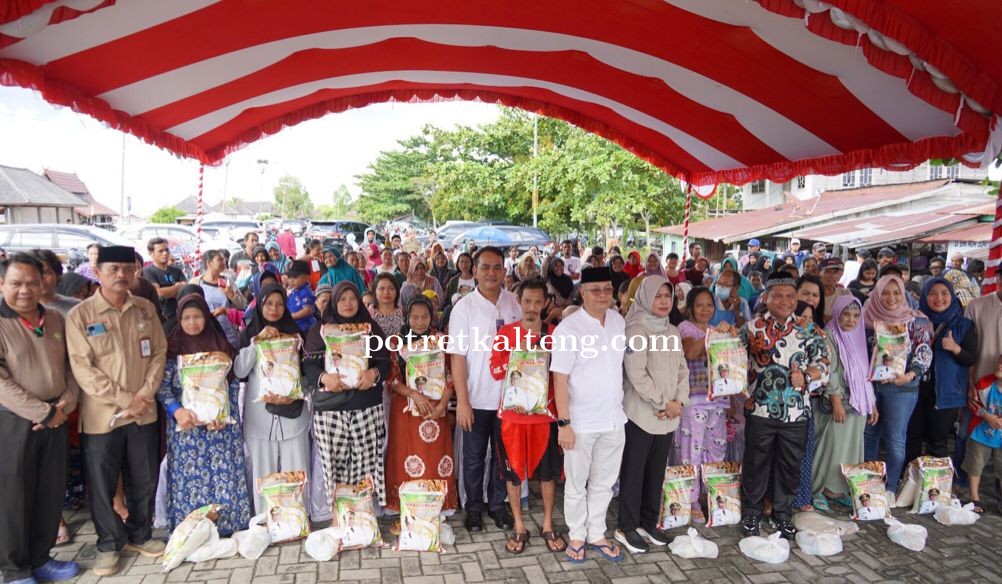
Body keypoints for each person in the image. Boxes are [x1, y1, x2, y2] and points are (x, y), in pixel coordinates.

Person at [66, 246, 168, 576]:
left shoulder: (146, 310)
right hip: (102, 416)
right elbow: (83, 370)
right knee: (102, 483)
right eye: (113, 269)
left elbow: (158, 355)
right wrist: (127, 399)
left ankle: (139, 534)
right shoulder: (80, 316)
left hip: (143, 412)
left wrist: (143, 395)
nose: (121, 275)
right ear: (98, 272)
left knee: (144, 477)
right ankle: (109, 544)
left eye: (127, 268)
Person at [0, 254, 81, 584]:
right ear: (2, 284)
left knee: (49, 491)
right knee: (13, 497)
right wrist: (44, 412)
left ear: (44, 283)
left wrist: (66, 403)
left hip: (57, 418)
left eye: (32, 282)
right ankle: (14, 569)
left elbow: (69, 369)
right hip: (15, 422)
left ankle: (40, 558)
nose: (25, 290)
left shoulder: (54, 319)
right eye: (16, 283)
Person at [739, 272, 829, 540]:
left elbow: (825, 364)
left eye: (790, 296)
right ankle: (752, 513)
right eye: (778, 295)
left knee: (790, 466)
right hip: (760, 409)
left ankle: (783, 515)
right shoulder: (751, 327)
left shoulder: (809, 329)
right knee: (756, 464)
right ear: (766, 297)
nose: (785, 301)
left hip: (797, 412)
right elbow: (734, 359)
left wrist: (808, 375)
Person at [157, 294, 250, 535]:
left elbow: (232, 385)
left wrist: (225, 415)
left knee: (225, 478)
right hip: (187, 429)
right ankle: (191, 531)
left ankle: (228, 528)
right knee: (191, 481)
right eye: (186, 317)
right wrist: (176, 411)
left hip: (221, 429)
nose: (192, 322)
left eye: (197, 316)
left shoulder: (219, 345)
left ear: (207, 318)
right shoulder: (172, 348)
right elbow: (163, 387)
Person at [551, 267, 627, 563]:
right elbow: (559, 380)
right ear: (582, 292)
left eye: (608, 289)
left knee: (604, 482)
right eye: (596, 290)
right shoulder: (569, 329)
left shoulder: (618, 322)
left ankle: (597, 532)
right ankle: (577, 535)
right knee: (576, 483)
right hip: (580, 422)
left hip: (613, 418)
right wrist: (564, 424)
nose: (603, 295)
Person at [488, 280, 566, 555]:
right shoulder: (506, 334)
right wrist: (516, 356)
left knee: (547, 475)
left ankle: (547, 524)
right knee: (512, 476)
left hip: (544, 419)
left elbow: (561, 376)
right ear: (518, 302)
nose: (532, 308)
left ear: (546, 303)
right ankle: (520, 527)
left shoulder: (554, 334)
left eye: (537, 302)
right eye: (527, 301)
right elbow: (496, 371)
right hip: (511, 418)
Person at [447, 247, 521, 532]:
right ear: (474, 271)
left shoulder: (513, 303)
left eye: (497, 267)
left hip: (508, 398)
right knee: (474, 457)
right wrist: (462, 401)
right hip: (475, 398)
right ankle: (474, 507)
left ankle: (498, 506)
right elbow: (457, 357)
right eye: (485, 267)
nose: (491, 273)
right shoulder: (464, 308)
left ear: (504, 271)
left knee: (504, 457)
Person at [615, 276, 689, 554]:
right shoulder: (636, 329)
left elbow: (683, 369)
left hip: (668, 416)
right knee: (634, 473)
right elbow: (636, 374)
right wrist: (663, 402)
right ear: (645, 297)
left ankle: (648, 521)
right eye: (657, 296)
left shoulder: (672, 331)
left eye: (667, 296)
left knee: (655, 473)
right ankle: (627, 526)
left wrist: (678, 401)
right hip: (642, 416)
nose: (663, 302)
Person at [303, 282, 392, 507]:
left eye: (352, 298)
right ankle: (340, 515)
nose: (348, 303)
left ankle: (363, 514)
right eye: (342, 299)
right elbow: (309, 366)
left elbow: (385, 363)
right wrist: (324, 378)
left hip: (366, 406)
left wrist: (374, 373)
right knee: (334, 465)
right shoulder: (320, 330)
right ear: (334, 302)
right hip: (330, 410)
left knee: (367, 463)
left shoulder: (370, 328)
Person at [234, 283, 311, 514]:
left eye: (279, 304)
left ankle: (296, 519)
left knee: (296, 470)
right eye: (269, 304)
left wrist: (297, 394)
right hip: (260, 419)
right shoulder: (250, 333)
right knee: (263, 473)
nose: (274, 309)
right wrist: (257, 342)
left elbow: (307, 375)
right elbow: (239, 371)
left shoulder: (297, 335)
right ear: (260, 305)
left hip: (292, 416)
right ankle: (265, 519)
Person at [384, 296, 458, 514]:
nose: (419, 321)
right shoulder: (397, 342)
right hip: (406, 407)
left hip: (436, 408)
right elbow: (392, 378)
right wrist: (415, 395)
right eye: (414, 317)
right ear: (406, 317)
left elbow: (450, 375)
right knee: (406, 454)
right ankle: (405, 505)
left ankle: (439, 504)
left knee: (435, 454)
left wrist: (443, 404)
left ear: (431, 317)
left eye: (424, 316)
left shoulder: (440, 340)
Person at [862, 275, 933, 498]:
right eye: (885, 292)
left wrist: (911, 374)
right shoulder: (867, 319)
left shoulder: (916, 322)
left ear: (903, 294)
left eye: (896, 293)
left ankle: (891, 486)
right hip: (871, 388)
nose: (890, 297)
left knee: (894, 439)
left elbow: (924, 351)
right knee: (869, 435)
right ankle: (869, 484)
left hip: (901, 389)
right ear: (877, 294)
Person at [812, 296, 878, 510]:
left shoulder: (857, 337)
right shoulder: (829, 334)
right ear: (837, 313)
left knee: (849, 449)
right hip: (837, 402)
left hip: (857, 403)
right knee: (829, 447)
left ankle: (837, 489)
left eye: (856, 316)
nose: (851, 320)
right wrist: (836, 401)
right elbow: (828, 370)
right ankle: (818, 489)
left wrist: (872, 403)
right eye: (846, 315)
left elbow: (865, 373)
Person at [671, 286, 730, 523]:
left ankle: (712, 497)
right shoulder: (684, 328)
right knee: (690, 452)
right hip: (693, 402)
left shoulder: (717, 330)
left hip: (716, 401)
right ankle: (690, 500)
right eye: (700, 305)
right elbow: (690, 352)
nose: (705, 309)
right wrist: (714, 336)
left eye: (709, 305)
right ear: (690, 308)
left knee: (715, 452)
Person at [905, 278, 976, 463]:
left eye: (944, 293)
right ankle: (909, 485)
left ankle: (933, 489)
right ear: (924, 296)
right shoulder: (914, 322)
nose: (939, 298)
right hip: (915, 390)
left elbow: (971, 358)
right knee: (911, 439)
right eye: (932, 293)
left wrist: (955, 348)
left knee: (937, 443)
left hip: (946, 394)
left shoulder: (963, 324)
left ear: (952, 296)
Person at [961, 355, 1002, 514]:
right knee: (975, 464)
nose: (999, 366)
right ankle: (974, 497)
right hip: (981, 431)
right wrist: (987, 416)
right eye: (999, 363)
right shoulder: (985, 384)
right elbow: (974, 404)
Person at [192, 249, 245, 346]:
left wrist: (231, 295)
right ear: (209, 263)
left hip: (229, 334)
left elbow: (243, 304)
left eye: (224, 259)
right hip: (206, 334)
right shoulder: (196, 283)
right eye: (219, 260)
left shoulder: (228, 281)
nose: (224, 262)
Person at [144, 237, 188, 331]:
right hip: (163, 320)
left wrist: (169, 291)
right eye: (160, 251)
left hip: (180, 317)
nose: (165, 253)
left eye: (167, 250)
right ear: (151, 254)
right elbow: (159, 293)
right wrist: (178, 286)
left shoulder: (176, 270)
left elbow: (185, 291)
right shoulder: (148, 272)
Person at [285, 260, 317, 334]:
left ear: (307, 277)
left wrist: (291, 316)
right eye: (289, 277)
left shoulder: (306, 292)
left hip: (305, 328)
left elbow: (307, 311)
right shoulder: (295, 290)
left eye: (295, 277)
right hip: (296, 326)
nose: (291, 281)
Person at [368, 273, 404, 338]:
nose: (386, 292)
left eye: (391, 288)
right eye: (382, 288)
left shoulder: (404, 313)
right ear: (375, 291)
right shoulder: (368, 313)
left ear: (396, 291)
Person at [819, 258, 850, 323]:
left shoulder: (845, 293)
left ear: (839, 276)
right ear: (820, 274)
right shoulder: (815, 295)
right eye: (828, 272)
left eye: (835, 272)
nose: (832, 275)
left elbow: (851, 316)